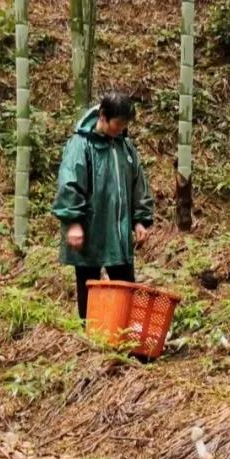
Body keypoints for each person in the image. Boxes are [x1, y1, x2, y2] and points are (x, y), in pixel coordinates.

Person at [52, 92, 155, 320]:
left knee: (126, 287)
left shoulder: (125, 148)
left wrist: (140, 220)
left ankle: (124, 338)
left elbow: (139, 184)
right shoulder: (81, 145)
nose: (121, 129)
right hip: (90, 230)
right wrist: (74, 222)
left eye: (125, 125)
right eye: (118, 124)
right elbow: (70, 183)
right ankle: (91, 339)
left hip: (119, 234)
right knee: (89, 287)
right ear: (103, 116)